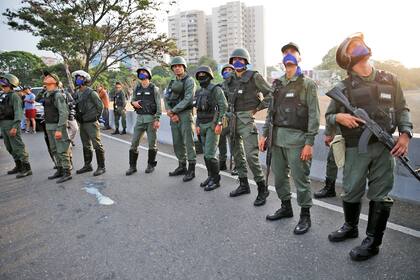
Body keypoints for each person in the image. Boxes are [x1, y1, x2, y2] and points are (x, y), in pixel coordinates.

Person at [325, 33, 413, 261]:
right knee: (352, 188)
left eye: (360, 44)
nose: (359, 48)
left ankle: (373, 241)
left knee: (381, 194)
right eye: (353, 47)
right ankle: (350, 226)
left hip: (385, 147)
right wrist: (339, 119)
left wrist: (405, 135)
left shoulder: (390, 80)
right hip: (356, 147)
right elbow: (330, 116)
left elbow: (402, 109)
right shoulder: (342, 88)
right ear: (347, 59)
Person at [260, 42, 320, 234]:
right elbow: (271, 112)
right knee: (279, 178)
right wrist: (264, 136)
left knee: (301, 179)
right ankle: (286, 207)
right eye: (285, 53)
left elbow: (314, 115)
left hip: (297, 139)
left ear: (299, 57)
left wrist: (309, 143)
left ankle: (305, 216)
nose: (289, 56)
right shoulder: (277, 84)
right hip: (276, 138)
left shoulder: (307, 84)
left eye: (293, 53)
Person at [224, 48, 272, 206]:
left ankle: (262, 188)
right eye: (235, 59)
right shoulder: (229, 78)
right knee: (237, 154)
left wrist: (257, 108)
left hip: (246, 120)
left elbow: (271, 95)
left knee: (251, 156)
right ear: (231, 62)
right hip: (232, 119)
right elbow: (223, 94)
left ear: (246, 62)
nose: (238, 62)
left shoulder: (254, 76)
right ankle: (243, 185)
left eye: (241, 59)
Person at [195, 65, 227, 191]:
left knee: (210, 154)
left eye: (204, 75)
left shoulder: (215, 90)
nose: (202, 77)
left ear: (209, 76)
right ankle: (210, 176)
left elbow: (223, 106)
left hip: (212, 125)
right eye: (199, 76)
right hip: (201, 125)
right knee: (205, 155)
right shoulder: (199, 91)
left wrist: (219, 123)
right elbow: (197, 110)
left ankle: (216, 179)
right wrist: (197, 125)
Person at [164, 56, 197, 182]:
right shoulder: (172, 82)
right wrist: (170, 112)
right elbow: (166, 97)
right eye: (175, 66)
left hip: (185, 114)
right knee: (177, 142)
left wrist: (174, 110)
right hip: (174, 115)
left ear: (184, 67)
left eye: (179, 66)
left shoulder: (189, 81)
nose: (177, 68)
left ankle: (191, 169)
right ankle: (181, 166)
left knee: (188, 142)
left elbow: (188, 98)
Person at [126, 67, 161, 175]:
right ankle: (132, 167)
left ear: (148, 74)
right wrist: (133, 103)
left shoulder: (154, 88)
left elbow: (159, 105)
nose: (141, 74)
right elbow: (132, 99)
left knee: (152, 144)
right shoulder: (137, 88)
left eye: (143, 72)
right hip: (140, 119)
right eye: (140, 73)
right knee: (134, 143)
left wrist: (157, 119)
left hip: (151, 120)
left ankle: (150, 165)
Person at [72, 70, 106, 176]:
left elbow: (100, 106)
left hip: (91, 123)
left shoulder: (91, 92)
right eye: (77, 78)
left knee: (97, 144)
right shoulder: (77, 93)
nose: (78, 80)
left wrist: (94, 117)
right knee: (86, 145)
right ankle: (88, 165)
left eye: (81, 78)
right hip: (82, 123)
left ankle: (101, 167)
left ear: (86, 79)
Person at [41, 72, 72, 183]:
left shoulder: (58, 95)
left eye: (49, 77)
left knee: (62, 150)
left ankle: (67, 172)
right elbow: (39, 100)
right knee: (54, 149)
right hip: (49, 126)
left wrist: (59, 129)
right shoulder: (47, 94)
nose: (47, 78)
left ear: (55, 81)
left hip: (57, 127)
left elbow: (64, 113)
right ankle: (59, 169)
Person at [0, 73, 32, 178]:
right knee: (9, 147)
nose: (2, 86)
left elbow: (18, 112)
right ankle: (18, 166)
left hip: (12, 124)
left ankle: (27, 168)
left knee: (18, 147)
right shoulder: (4, 96)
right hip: (3, 124)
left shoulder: (14, 96)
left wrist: (15, 126)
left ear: (10, 84)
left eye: (4, 84)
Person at [218, 63, 238, 176]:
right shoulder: (220, 86)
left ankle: (236, 165)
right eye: (225, 70)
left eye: (230, 69)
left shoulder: (238, 85)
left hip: (234, 117)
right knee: (221, 140)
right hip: (222, 116)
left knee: (233, 142)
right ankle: (222, 161)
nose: (228, 71)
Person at [314, 134, 339, 198]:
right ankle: (330, 189)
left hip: (356, 136)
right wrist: (328, 134)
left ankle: (353, 192)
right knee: (331, 160)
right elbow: (330, 123)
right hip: (338, 135)